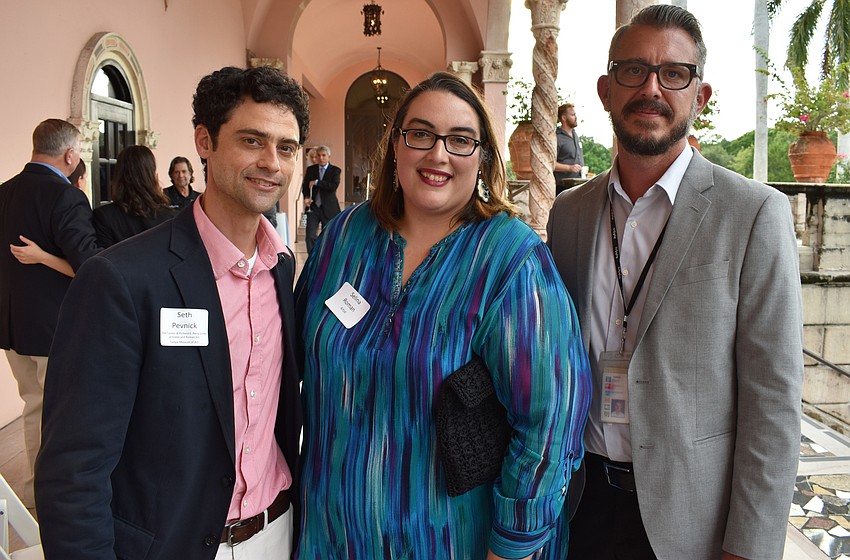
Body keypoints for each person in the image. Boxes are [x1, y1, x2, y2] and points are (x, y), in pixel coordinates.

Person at [294, 72, 591, 559]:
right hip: (331, 536)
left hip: (451, 540)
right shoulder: (344, 239)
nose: (438, 154)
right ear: (395, 146)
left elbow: (550, 422)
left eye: (460, 140)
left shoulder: (510, 259)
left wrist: (512, 548)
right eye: (421, 134)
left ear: (482, 158)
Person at [546, 5, 804, 560]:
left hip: (692, 527)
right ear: (605, 89)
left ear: (700, 95)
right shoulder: (568, 215)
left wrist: (749, 548)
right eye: (633, 70)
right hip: (578, 508)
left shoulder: (754, 214)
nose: (652, 89)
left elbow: (774, 402)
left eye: (675, 74)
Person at [35, 65, 309, 560]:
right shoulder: (122, 279)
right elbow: (74, 471)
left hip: (278, 532)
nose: (272, 162)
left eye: (286, 147)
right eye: (252, 141)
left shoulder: (281, 269)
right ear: (205, 141)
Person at [0, 118, 99, 510]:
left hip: (12, 326)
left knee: (33, 410)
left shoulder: (3, 192)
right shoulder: (66, 197)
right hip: (54, 327)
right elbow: (90, 265)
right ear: (70, 154)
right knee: (59, 418)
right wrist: (44, 259)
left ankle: (35, 502)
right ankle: (56, 506)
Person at [93, 145, 176, 247]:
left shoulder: (103, 217)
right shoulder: (170, 217)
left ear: (118, 175)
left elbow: (103, 260)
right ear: (152, 175)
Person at [300, 144, 340, 252]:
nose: (321, 158)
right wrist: (307, 197)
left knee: (328, 236)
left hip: (329, 208)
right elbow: (305, 186)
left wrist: (317, 182)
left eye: (323, 155)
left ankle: (324, 259)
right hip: (313, 207)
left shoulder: (335, 170)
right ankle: (313, 260)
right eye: (319, 155)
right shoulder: (311, 170)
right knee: (310, 236)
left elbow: (333, 186)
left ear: (328, 157)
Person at [553, 103, 584, 189]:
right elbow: (550, 163)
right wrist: (569, 168)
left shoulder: (575, 134)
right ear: (564, 118)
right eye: (573, 115)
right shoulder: (557, 138)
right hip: (562, 187)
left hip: (577, 185)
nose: (576, 117)